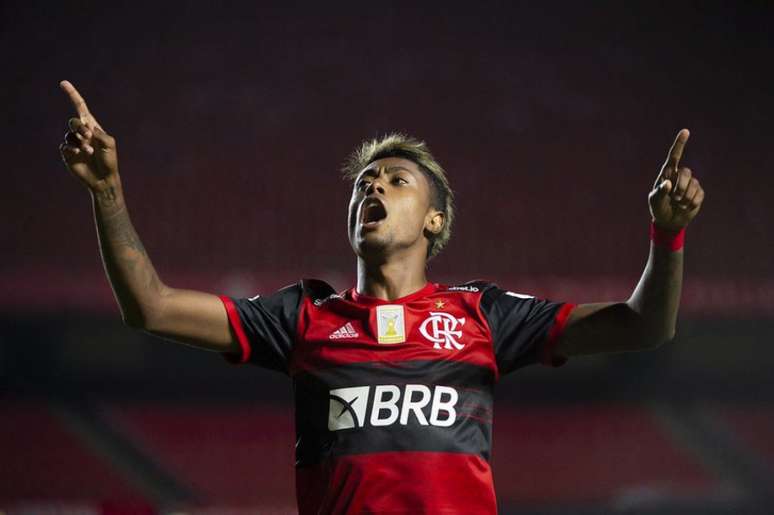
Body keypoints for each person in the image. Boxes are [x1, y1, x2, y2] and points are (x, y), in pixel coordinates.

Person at [58, 79, 705, 514]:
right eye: (364, 182)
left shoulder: (483, 315)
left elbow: (644, 325)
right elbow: (151, 305)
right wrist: (106, 190)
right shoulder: (303, 317)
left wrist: (666, 234)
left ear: (433, 220)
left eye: (396, 181)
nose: (374, 188)